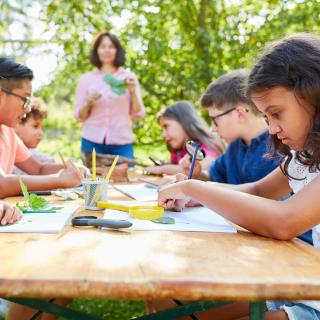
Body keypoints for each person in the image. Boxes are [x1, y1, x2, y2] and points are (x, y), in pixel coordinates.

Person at [158, 33, 320, 319]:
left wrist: (195, 188)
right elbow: (258, 190)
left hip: (310, 298)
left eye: (276, 113)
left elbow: (284, 221)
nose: (272, 129)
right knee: (171, 303)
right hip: (305, 289)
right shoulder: (304, 156)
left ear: (313, 94)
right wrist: (193, 197)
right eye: (267, 117)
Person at [0, 57, 90, 198]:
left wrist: (70, 168)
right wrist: (60, 180)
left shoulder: (8, 133)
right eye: (25, 99)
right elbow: (2, 184)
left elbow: (38, 169)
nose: (28, 108)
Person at [180, 69, 280, 183]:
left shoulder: (278, 150)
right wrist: (198, 174)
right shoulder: (234, 147)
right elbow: (213, 178)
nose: (212, 129)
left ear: (239, 114)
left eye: (214, 120)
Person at [74, 31, 145, 162]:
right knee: (93, 181)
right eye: (102, 46)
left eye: (111, 46)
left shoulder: (128, 78)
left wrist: (133, 92)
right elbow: (79, 117)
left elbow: (138, 114)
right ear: (97, 51)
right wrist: (88, 102)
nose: (107, 50)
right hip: (92, 142)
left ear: (117, 50)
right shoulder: (86, 79)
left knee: (126, 181)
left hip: (122, 143)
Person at [145, 101, 225, 176]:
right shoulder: (179, 150)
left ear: (184, 122)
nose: (163, 134)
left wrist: (163, 169)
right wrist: (166, 164)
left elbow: (202, 168)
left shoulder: (206, 145)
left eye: (166, 126)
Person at [13, 97, 55, 175]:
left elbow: (43, 165)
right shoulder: (10, 148)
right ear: (16, 125)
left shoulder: (32, 153)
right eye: (35, 126)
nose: (41, 133)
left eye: (41, 127)